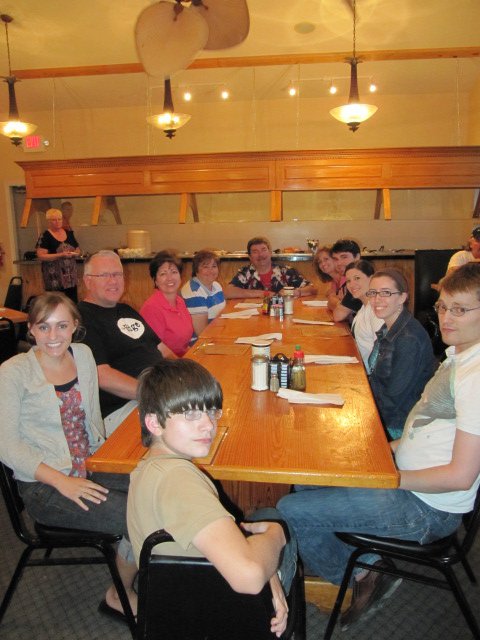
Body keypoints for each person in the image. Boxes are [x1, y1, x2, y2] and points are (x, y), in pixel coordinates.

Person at [278, 262, 480, 630]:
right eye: (443, 307)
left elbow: (461, 476)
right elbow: (423, 428)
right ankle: (363, 561)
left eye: (461, 309)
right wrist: (387, 450)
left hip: (426, 508)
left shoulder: (475, 377)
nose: (447, 318)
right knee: (307, 478)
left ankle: (360, 574)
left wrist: (387, 477)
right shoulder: (458, 358)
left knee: (289, 509)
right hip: (404, 476)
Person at [127, 359, 297, 638]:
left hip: (179, 611)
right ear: (154, 423)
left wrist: (268, 572)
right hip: (229, 613)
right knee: (277, 520)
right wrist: (277, 538)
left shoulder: (147, 470)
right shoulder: (180, 481)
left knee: (259, 521)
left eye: (211, 412)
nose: (208, 425)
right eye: (190, 414)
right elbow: (248, 576)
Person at [0, 292, 137, 621]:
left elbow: (91, 420)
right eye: (43, 327)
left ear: (75, 325)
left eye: (62, 325)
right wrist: (62, 481)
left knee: (156, 488)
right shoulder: (13, 372)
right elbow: (6, 444)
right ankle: (118, 594)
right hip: (46, 486)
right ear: (31, 329)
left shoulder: (84, 355)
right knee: (140, 513)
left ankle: (148, 564)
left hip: (90, 463)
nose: (53, 336)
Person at [78, 250, 164, 436]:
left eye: (117, 274)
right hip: (124, 407)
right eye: (104, 275)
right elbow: (101, 376)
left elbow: (161, 349)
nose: (113, 281)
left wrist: (186, 375)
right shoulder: (82, 318)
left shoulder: (126, 309)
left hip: (158, 393)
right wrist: (154, 394)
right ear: (88, 281)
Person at [366, 268, 436, 439]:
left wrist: (362, 414)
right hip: (382, 413)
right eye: (373, 293)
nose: (376, 299)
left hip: (396, 426)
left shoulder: (408, 339)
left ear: (402, 297)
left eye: (386, 293)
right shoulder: (388, 327)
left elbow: (394, 399)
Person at [140, 250, 195, 357]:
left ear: (180, 276)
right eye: (163, 274)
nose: (170, 278)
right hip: (164, 364)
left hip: (181, 359)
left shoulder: (179, 301)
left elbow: (183, 345)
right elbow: (157, 350)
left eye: (174, 272)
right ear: (155, 280)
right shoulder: (151, 308)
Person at [225, 236, 317, 299]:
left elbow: (312, 289)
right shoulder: (245, 273)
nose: (260, 255)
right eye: (255, 252)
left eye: (263, 250)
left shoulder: (285, 271)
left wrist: (295, 292)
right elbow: (227, 292)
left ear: (270, 253)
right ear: (250, 257)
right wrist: (265, 294)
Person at [344, 260, 383, 372]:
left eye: (357, 278)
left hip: (368, 374)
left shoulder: (376, 310)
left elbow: (381, 350)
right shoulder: (364, 307)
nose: (351, 285)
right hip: (358, 367)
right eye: (348, 281)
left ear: (371, 279)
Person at [36, 208, 82, 302]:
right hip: (54, 278)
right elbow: (41, 256)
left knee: (72, 302)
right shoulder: (45, 235)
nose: (57, 222)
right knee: (56, 303)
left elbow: (78, 249)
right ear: (48, 221)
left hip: (70, 278)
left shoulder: (69, 233)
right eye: (54, 220)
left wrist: (75, 253)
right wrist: (60, 255)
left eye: (59, 219)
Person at [181, 249, 226, 337]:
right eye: (206, 267)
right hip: (200, 341)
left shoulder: (216, 285)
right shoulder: (193, 292)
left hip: (219, 332)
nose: (211, 270)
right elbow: (202, 333)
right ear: (196, 270)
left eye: (214, 266)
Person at [327, 239, 363, 321]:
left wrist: (339, 304)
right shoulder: (348, 281)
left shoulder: (359, 281)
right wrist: (339, 304)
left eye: (344, 257)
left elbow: (338, 316)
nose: (339, 263)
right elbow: (330, 302)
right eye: (336, 259)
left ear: (357, 257)